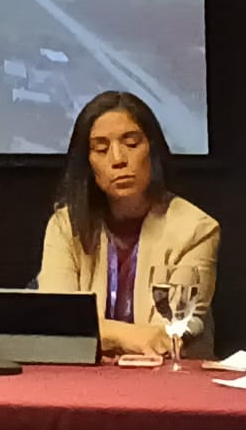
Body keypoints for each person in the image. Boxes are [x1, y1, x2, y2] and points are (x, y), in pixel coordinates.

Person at [38, 90, 220, 358]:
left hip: (167, 379)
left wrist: (99, 333)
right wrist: (129, 335)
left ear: (153, 150)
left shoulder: (196, 229)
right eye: (101, 149)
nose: (118, 159)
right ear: (88, 164)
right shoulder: (66, 225)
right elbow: (56, 321)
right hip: (85, 378)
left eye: (132, 144)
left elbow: (168, 335)